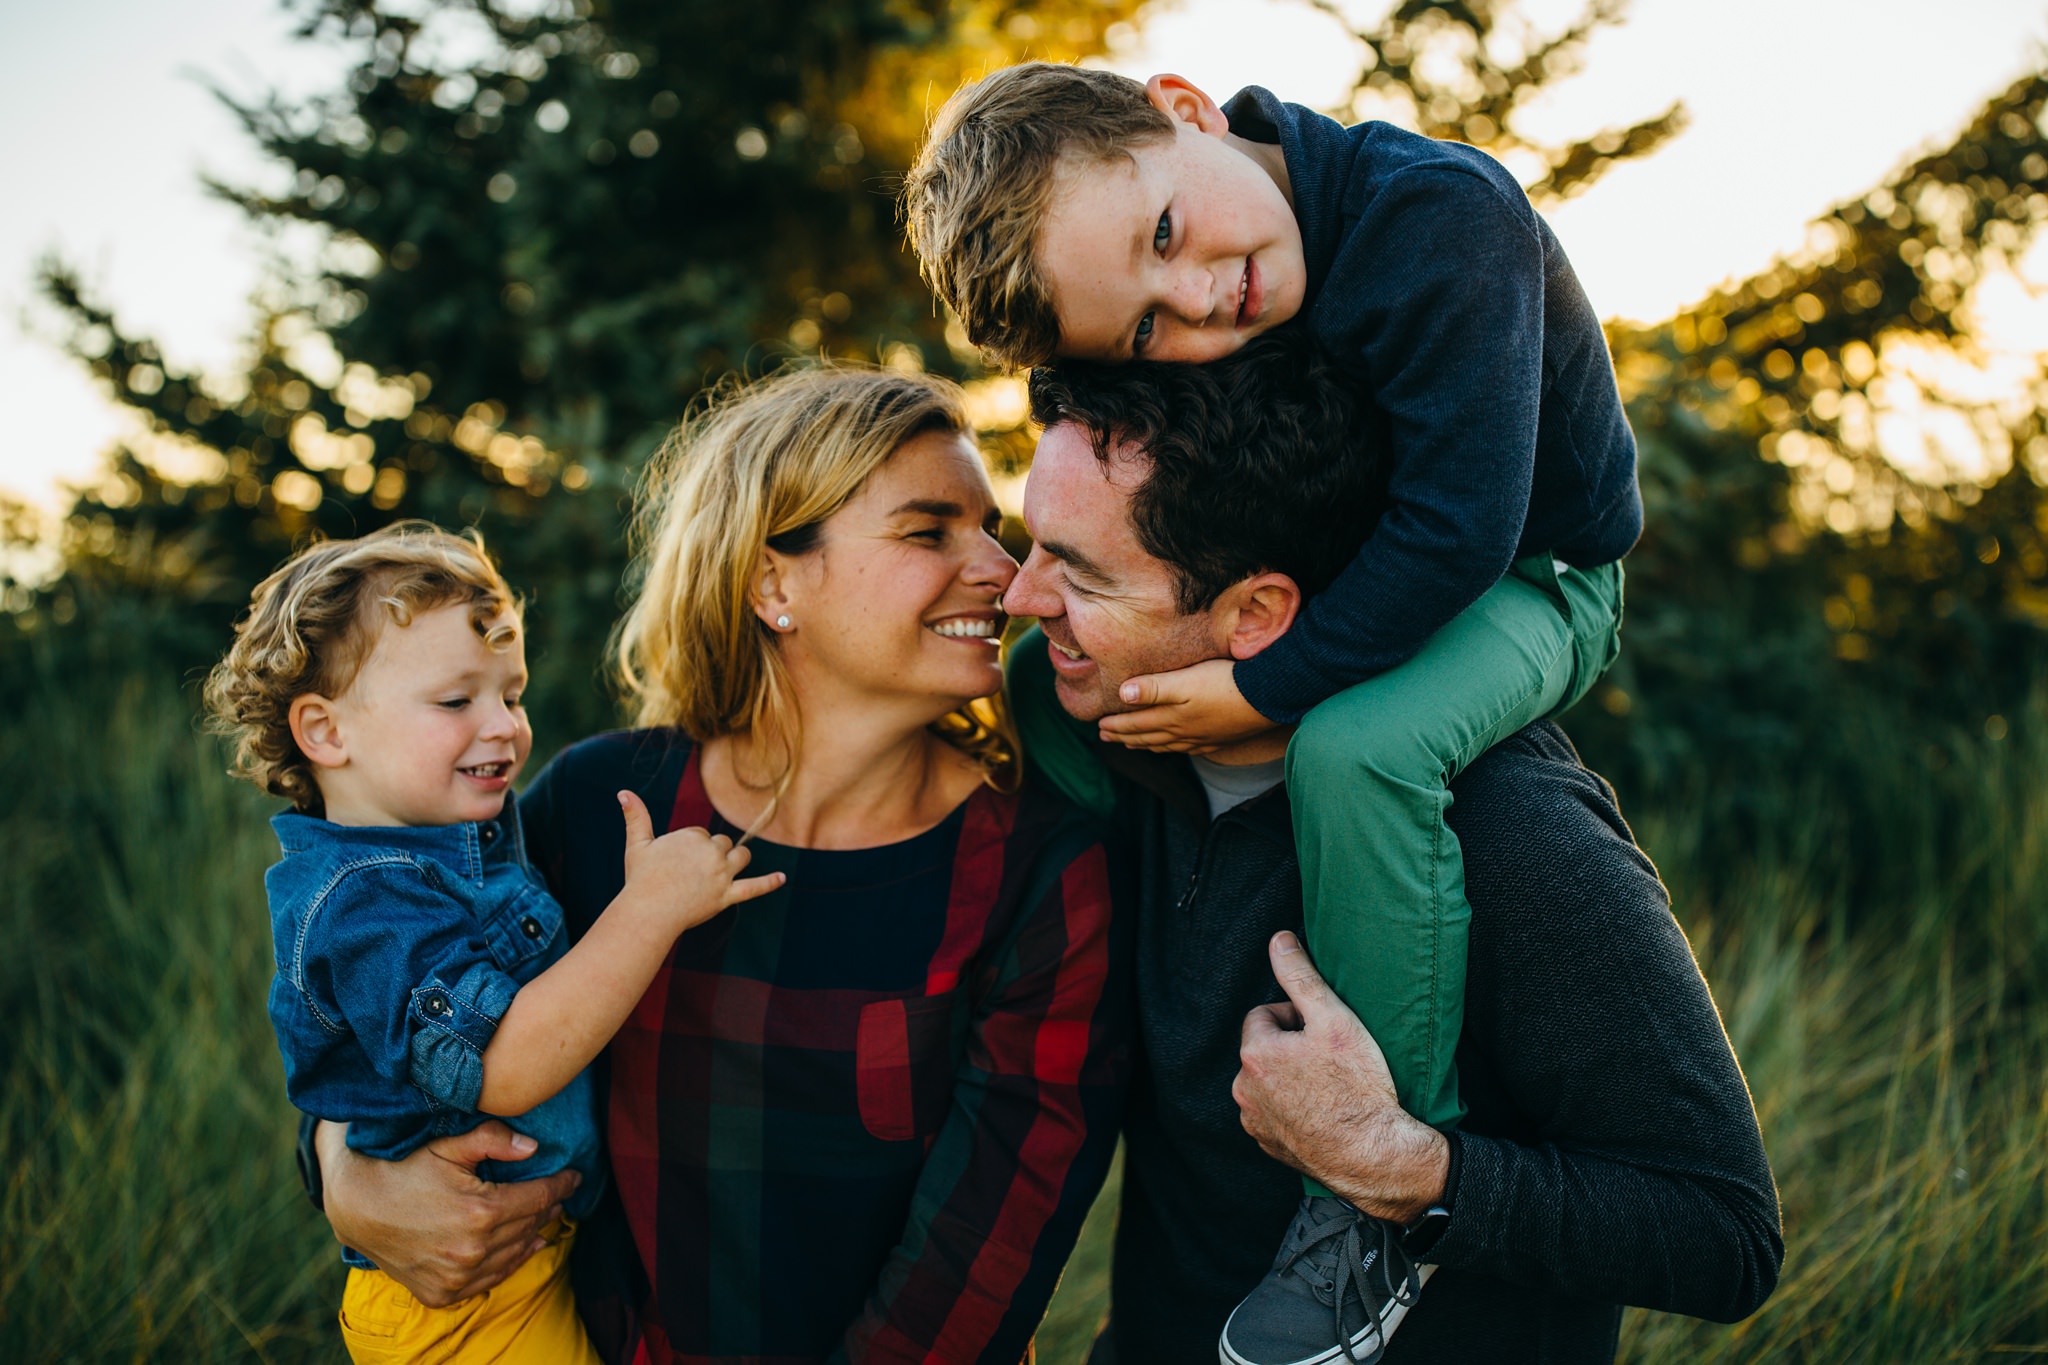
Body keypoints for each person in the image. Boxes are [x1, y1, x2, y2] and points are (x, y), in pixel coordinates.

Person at [905, 62, 1641, 1360]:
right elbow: (1109, 412)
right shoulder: (1216, 259)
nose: (1196, 301)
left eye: (1167, 237)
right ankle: (1075, 895)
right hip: (1364, 564)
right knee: (1048, 689)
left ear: (1186, 107)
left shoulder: (1442, 218)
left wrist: (1257, 687)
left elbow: (1459, 529)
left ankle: (1361, 1198)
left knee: (1364, 748)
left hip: (1534, 572)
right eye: (1143, 329)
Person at [302, 367, 1131, 1363]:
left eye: (986, 527)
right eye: (928, 531)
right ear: (771, 584)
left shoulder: (1039, 873)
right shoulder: (604, 805)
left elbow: (982, 1258)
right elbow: (384, 1009)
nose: (1001, 571)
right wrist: (343, 1174)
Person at [1000, 333, 1781, 1363]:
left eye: (1079, 574)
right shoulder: (1110, 751)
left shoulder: (1509, 832)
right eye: (1030, 545)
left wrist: (1404, 1166)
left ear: (1255, 615)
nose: (1019, 596)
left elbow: (1721, 1235)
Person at [205, 524, 783, 1364]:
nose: (505, 727)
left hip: (530, 1254)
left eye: (510, 695)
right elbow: (502, 1060)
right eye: (456, 701)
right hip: (455, 1303)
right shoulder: (361, 903)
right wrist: (648, 910)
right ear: (326, 732)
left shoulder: (463, 834)